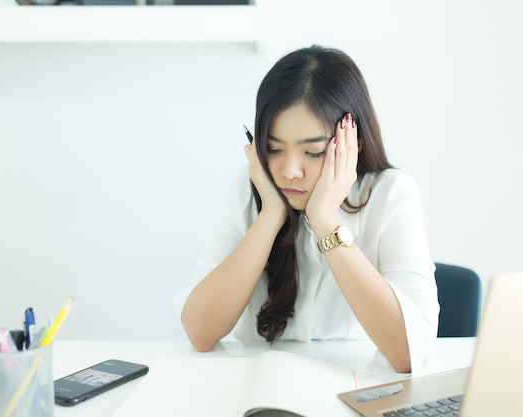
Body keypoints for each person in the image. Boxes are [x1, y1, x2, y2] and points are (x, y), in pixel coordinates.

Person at [178, 45, 439, 374]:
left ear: (352, 143)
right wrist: (271, 215)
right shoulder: (246, 190)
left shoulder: (391, 194)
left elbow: (408, 353)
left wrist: (326, 221)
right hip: (257, 382)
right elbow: (200, 333)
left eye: (312, 152)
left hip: (355, 384)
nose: (289, 170)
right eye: (274, 148)